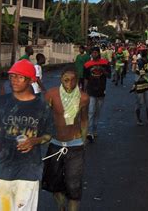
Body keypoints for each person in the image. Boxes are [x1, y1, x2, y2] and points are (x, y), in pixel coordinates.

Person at [0, 59, 53, 211]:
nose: (14, 80)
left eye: (20, 77)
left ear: (30, 80)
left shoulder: (42, 106)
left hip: (29, 172)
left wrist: (35, 141)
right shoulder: (1, 102)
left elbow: (48, 135)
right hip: (3, 172)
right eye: (12, 76)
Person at [42, 68, 89, 211]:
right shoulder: (51, 94)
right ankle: (61, 207)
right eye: (66, 80)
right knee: (54, 185)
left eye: (73, 80)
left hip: (75, 145)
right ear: (61, 79)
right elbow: (45, 117)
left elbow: (84, 120)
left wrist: (83, 140)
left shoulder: (83, 98)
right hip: (55, 144)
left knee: (73, 186)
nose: (70, 83)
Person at [83, 47, 110, 142]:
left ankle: (94, 130)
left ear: (99, 53)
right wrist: (84, 90)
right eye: (93, 53)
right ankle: (89, 132)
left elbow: (109, 75)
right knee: (90, 111)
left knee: (97, 112)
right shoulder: (87, 65)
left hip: (101, 91)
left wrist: (102, 70)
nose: (94, 54)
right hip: (91, 91)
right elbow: (85, 78)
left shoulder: (105, 63)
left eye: (96, 53)